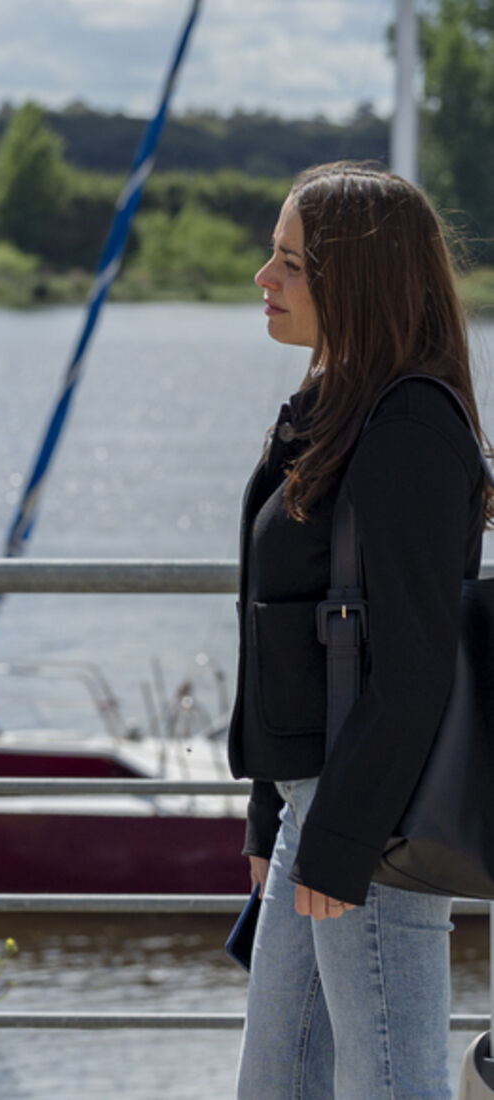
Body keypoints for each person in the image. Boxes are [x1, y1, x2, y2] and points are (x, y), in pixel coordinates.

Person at [228, 161, 492, 1098]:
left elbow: (416, 664)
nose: (264, 277)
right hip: (318, 802)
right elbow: (287, 635)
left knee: (389, 1083)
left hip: (370, 817)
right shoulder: (333, 406)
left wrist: (339, 839)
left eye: (292, 263)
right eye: (274, 254)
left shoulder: (409, 426)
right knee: (282, 1084)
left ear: (359, 281)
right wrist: (272, 810)